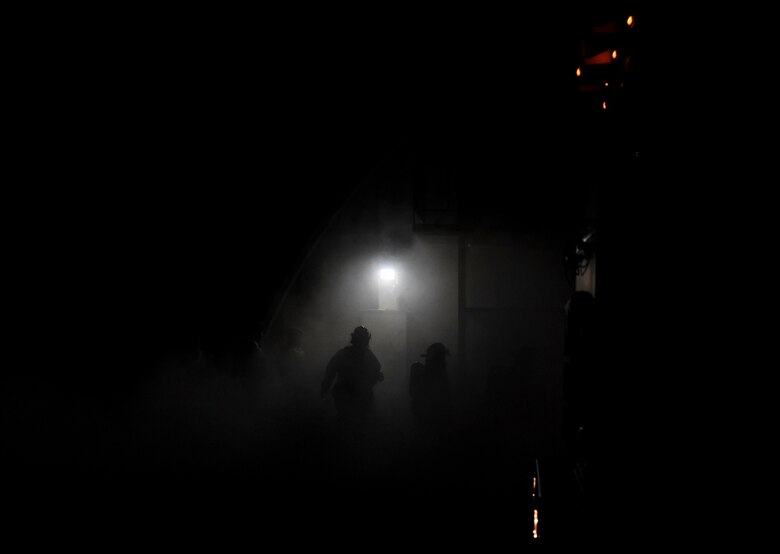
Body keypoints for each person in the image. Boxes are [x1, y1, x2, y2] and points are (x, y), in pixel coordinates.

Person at [321, 326, 384, 434]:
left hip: (357, 396)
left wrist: (325, 387)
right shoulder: (350, 354)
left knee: (354, 425)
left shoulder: (364, 355)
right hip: (349, 395)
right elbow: (331, 371)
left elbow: (330, 371)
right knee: (350, 424)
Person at [409, 342, 452, 438]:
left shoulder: (435, 378)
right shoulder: (441, 377)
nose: (425, 361)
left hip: (431, 427)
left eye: (427, 359)